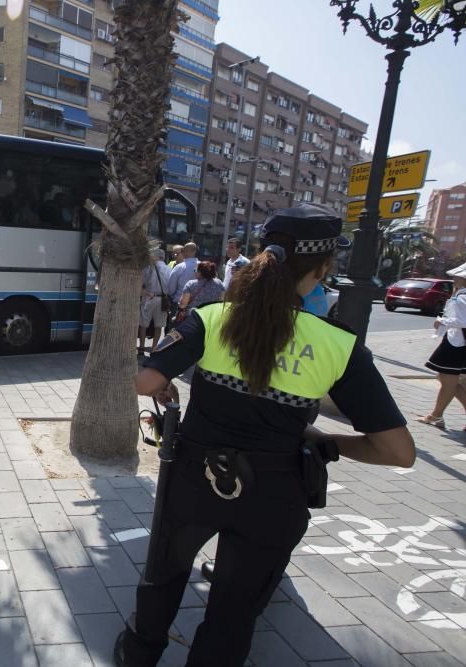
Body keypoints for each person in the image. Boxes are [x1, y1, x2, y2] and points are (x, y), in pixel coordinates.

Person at [115, 203, 414, 666]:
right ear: (324, 266)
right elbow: (398, 451)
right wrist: (324, 442)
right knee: (235, 610)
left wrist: (170, 384)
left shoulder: (214, 318)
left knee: (164, 574)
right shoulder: (340, 346)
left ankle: (139, 652)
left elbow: (145, 383)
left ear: (260, 256)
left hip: (195, 478)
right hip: (276, 494)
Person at [416, 262, 466, 429]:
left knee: (447, 380)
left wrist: (441, 321)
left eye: (457, 277)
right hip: (457, 342)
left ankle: (436, 416)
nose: (453, 279)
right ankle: (436, 415)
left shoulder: (462, 297)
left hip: (456, 343)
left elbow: (462, 321)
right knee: (449, 380)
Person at [140, 247, 172, 356]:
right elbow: (171, 287)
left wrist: (146, 293)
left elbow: (140, 284)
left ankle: (142, 347)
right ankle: (154, 349)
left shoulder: (148, 268)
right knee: (159, 326)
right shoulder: (169, 269)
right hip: (163, 299)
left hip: (149, 297)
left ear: (155, 256)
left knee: (144, 324)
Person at [166, 241, 199, 306]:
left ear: (183, 252)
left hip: (180, 304)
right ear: (195, 251)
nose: (174, 256)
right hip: (197, 306)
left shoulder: (179, 267)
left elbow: (170, 289)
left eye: (176, 254)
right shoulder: (203, 266)